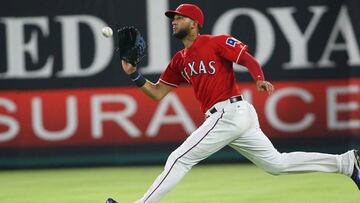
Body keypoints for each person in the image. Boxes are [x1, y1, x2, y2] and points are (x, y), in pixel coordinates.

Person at [106, 3, 360, 203]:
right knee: (276, 164)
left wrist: (259, 79)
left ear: (194, 24)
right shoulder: (179, 60)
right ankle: (346, 163)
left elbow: (248, 59)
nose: (174, 21)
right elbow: (158, 93)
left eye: (180, 17)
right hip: (232, 116)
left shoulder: (214, 42)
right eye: (173, 18)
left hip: (230, 112)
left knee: (179, 158)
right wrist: (133, 74)